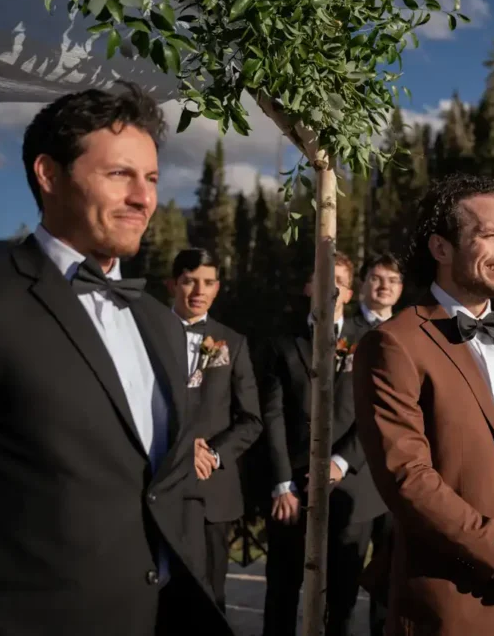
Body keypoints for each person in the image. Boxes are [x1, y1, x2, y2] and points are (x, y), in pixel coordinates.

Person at [0, 84, 229, 636]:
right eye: (119, 175)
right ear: (49, 174)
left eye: (151, 179)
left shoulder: (158, 321)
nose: (143, 198)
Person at [353, 173, 494, 636]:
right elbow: (407, 478)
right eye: (490, 234)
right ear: (441, 248)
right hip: (451, 603)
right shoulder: (393, 344)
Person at [259, 251, 385, 636]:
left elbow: (377, 413)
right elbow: (273, 415)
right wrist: (282, 484)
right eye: (322, 279)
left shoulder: (372, 343)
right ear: (308, 287)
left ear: (349, 292)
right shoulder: (281, 342)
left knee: (342, 601)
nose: (330, 289)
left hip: (351, 488)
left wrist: (341, 462)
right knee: (281, 591)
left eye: (339, 282)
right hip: (292, 491)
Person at [168, 248, 263, 611]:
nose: (198, 290)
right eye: (189, 280)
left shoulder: (232, 342)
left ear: (218, 288)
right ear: (173, 283)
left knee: (209, 602)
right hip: (157, 485)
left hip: (212, 493)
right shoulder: (147, 333)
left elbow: (251, 418)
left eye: (208, 282)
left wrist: (213, 453)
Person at [351, 252, 404, 636]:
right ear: (362, 284)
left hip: (402, 474)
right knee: (344, 571)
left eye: (392, 280)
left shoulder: (411, 334)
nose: (384, 285)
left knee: (392, 574)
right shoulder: (343, 333)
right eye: (376, 278)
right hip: (353, 472)